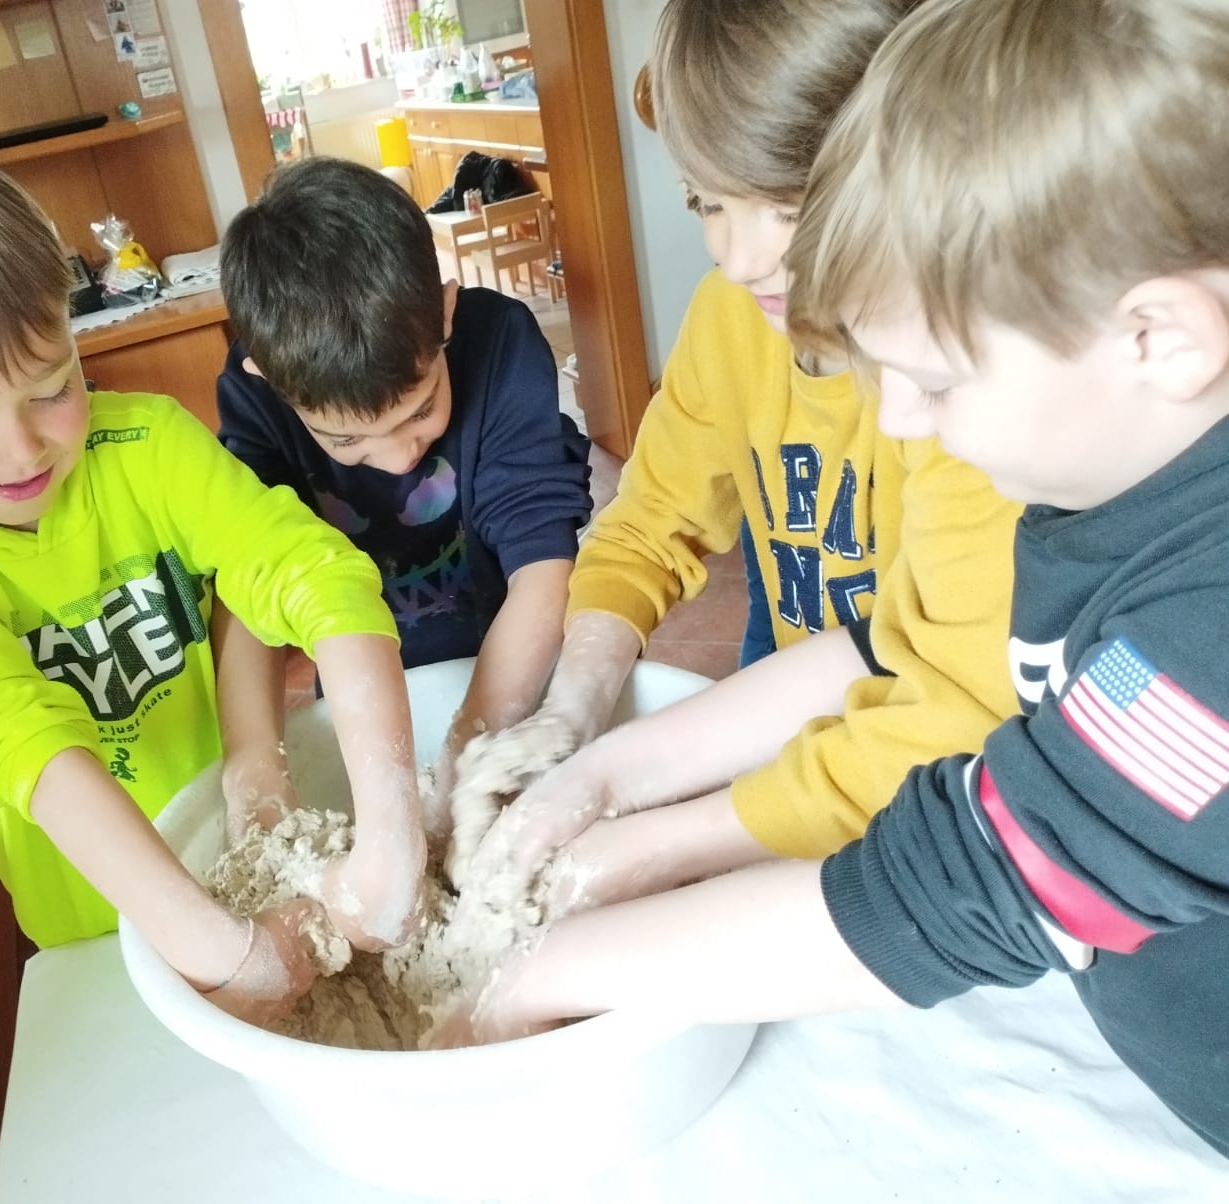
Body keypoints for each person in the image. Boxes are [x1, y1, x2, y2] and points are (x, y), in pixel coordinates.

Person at [440, 0, 1229, 1160]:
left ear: (1159, 336)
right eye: (706, 204)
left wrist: (545, 961)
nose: (898, 417)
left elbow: (966, 877)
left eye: (933, 381)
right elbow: (880, 641)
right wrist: (597, 765)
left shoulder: (1201, 637)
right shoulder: (1098, 486)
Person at [0, 139, 426, 1025]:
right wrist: (219, 950)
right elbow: (20, 741)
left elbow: (308, 571)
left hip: (245, 833)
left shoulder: (147, 445)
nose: (23, 447)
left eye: (53, 388)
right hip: (98, 922)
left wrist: (384, 836)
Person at [447, 0, 1021, 891]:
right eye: (707, 202)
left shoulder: (982, 388)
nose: (734, 257)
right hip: (802, 686)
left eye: (784, 209)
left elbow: (942, 703)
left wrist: (640, 844)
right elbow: (652, 522)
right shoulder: (733, 318)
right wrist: (573, 711)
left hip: (939, 790)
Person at [214, 156, 592, 842]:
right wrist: (251, 760)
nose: (397, 455)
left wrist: (467, 756)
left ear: (444, 313)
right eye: (347, 441)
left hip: (509, 664)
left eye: (420, 412)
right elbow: (250, 584)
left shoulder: (500, 342)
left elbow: (542, 562)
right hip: (361, 698)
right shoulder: (254, 402)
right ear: (269, 382)